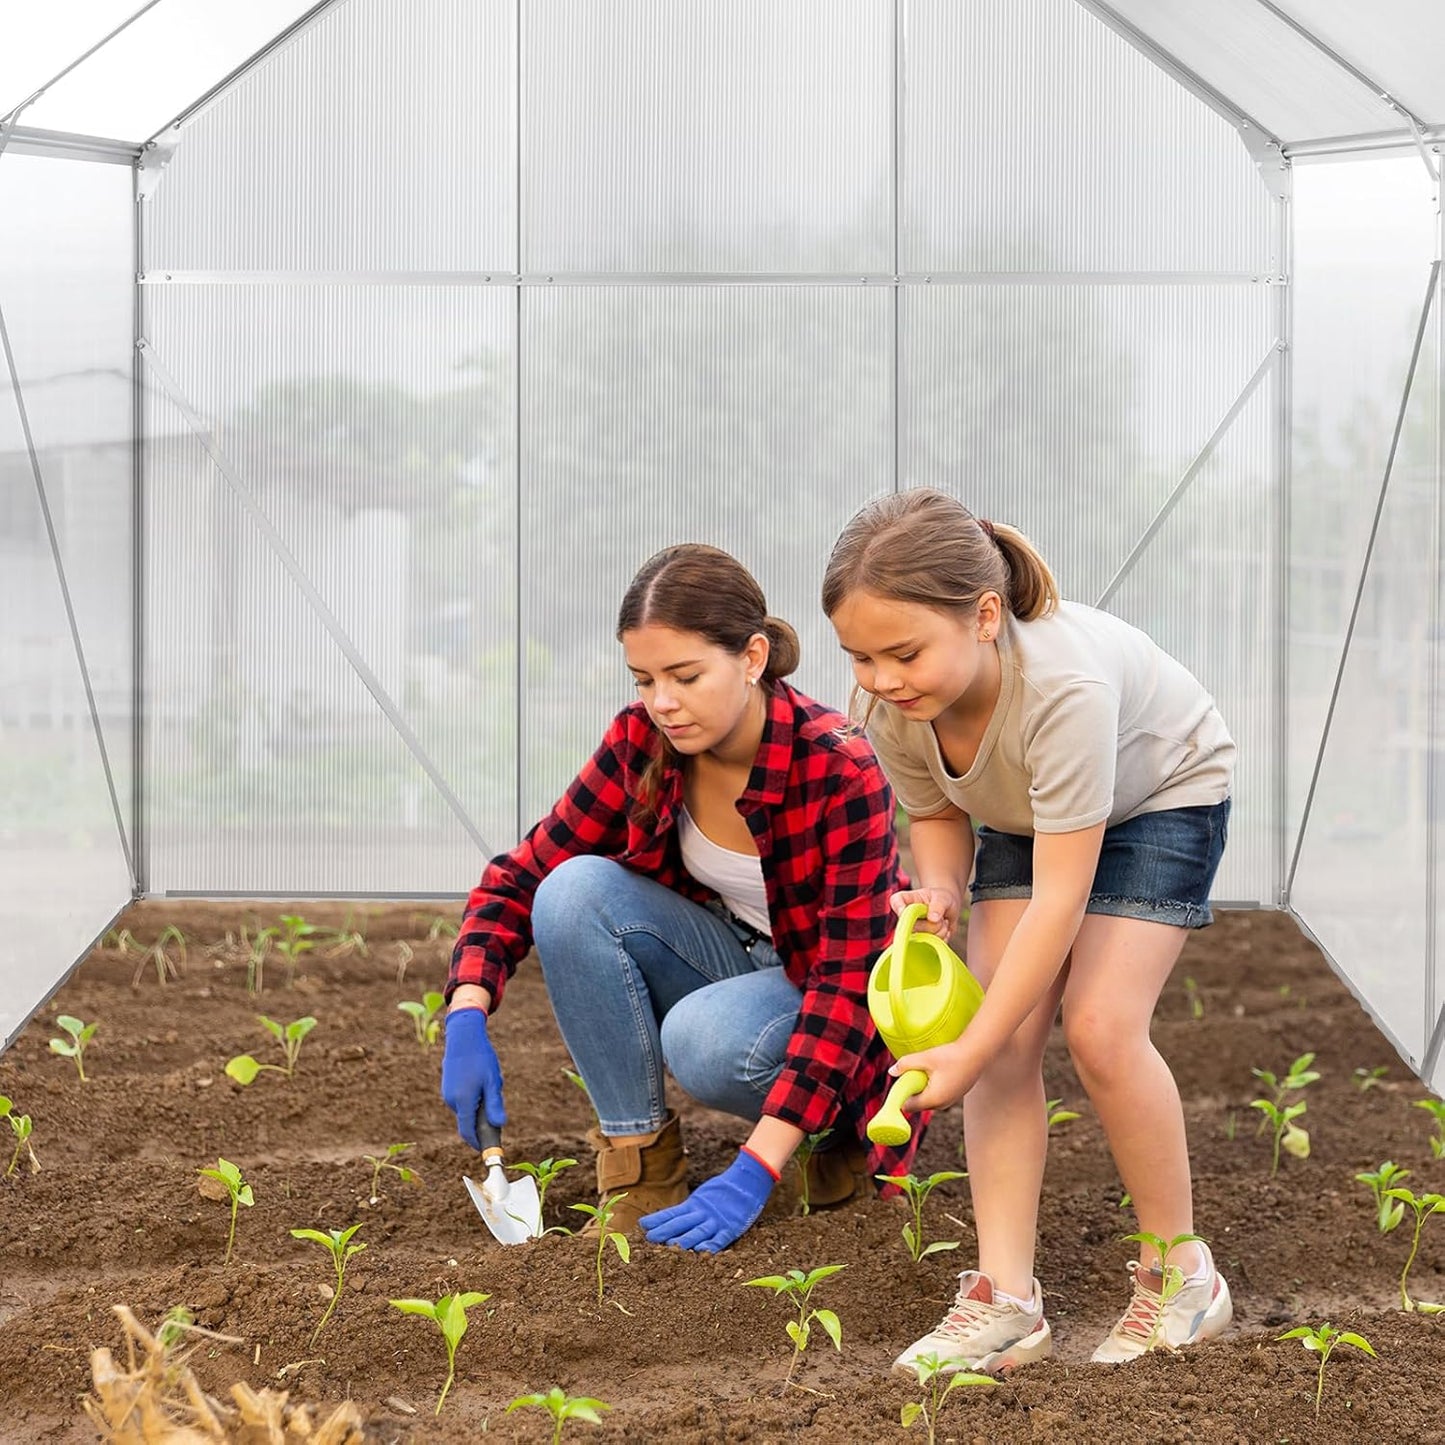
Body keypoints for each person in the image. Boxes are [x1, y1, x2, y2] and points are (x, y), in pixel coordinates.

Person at [821, 488, 1235, 1370]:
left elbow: (1060, 900)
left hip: (1160, 795)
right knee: (1004, 1043)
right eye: (860, 656)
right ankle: (1005, 1298)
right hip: (1026, 807)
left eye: (903, 653)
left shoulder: (1062, 687)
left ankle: (1181, 1275)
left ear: (983, 616)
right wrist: (940, 886)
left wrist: (964, 1051)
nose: (882, 677)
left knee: (1099, 1027)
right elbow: (938, 810)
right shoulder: (891, 705)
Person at [441, 542, 918, 1252]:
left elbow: (851, 986)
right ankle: (640, 1173)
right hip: (734, 960)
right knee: (572, 891)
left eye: (685, 676)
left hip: (836, 1005)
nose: (662, 702)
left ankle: (832, 1139)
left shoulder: (837, 769)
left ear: (752, 657)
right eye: (644, 679)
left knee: (702, 1039)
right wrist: (466, 1011)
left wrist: (753, 1168)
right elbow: (523, 875)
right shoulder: (644, 741)